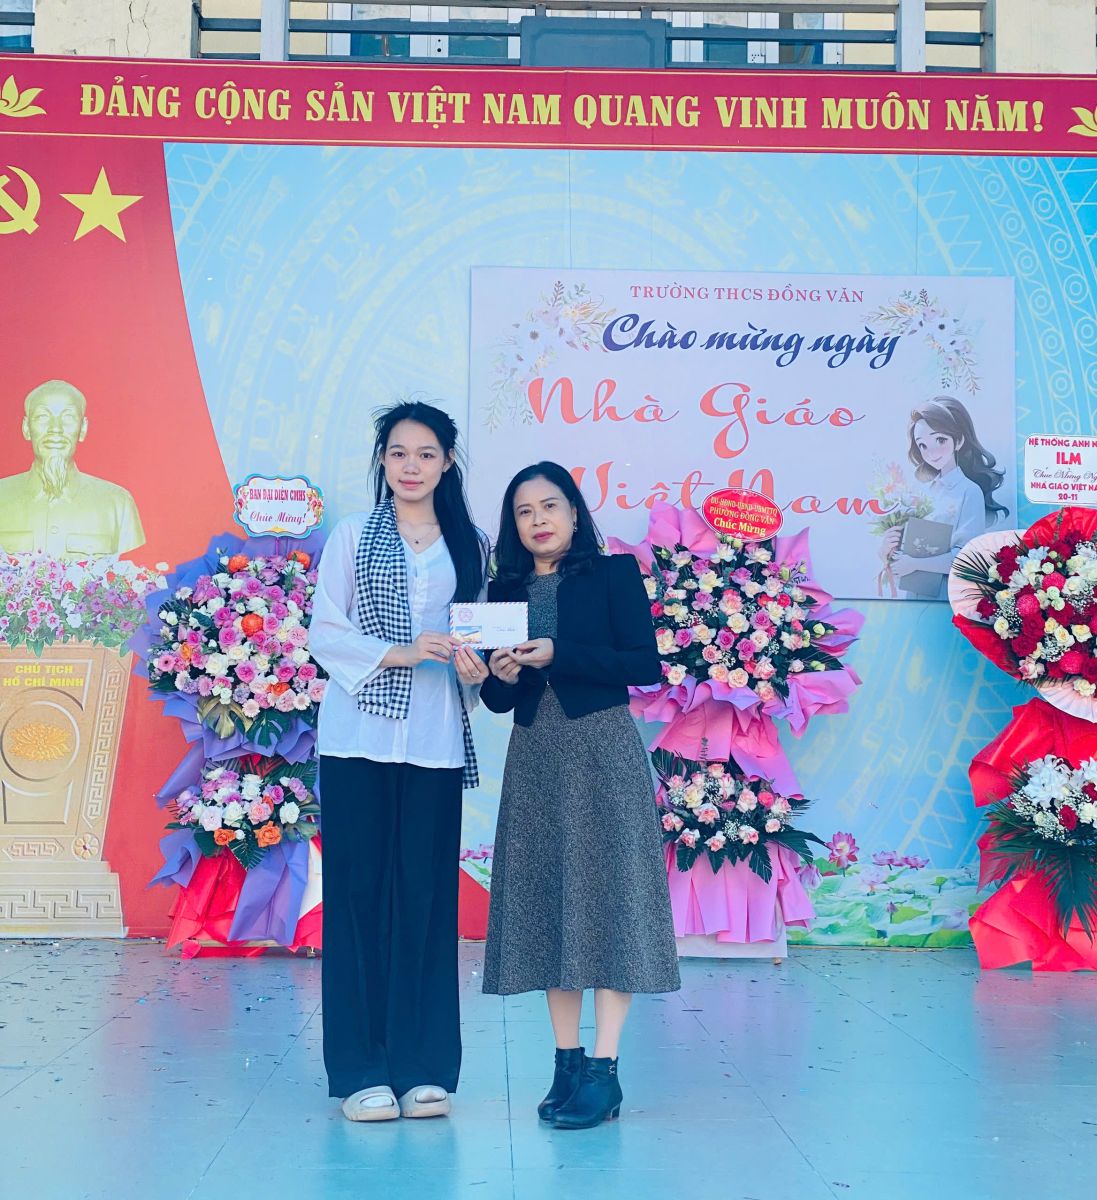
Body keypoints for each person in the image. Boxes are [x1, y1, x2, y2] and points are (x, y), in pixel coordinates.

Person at [480, 461, 681, 1131]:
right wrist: (502, 672)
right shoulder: (502, 590)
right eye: (524, 511)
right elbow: (497, 698)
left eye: (549, 506)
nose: (538, 519)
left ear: (574, 512)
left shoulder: (613, 574)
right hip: (535, 758)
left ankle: (604, 1070)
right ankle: (566, 1064)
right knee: (550, 901)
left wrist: (556, 653)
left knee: (610, 899)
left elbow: (643, 665)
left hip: (603, 752)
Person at [309, 401, 489, 1123]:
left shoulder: (471, 544)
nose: (411, 466)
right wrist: (403, 651)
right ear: (382, 461)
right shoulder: (353, 536)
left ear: (447, 463)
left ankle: (421, 1068)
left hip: (434, 741)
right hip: (356, 738)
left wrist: (477, 667)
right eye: (398, 453)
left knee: (425, 901)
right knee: (357, 899)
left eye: (425, 454)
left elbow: (479, 635)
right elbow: (326, 630)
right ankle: (360, 1071)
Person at [881, 395, 1008, 599]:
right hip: (913, 592)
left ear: (958, 441)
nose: (932, 452)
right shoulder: (920, 492)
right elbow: (908, 551)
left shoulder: (969, 491)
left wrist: (914, 564)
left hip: (947, 594)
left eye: (940, 440)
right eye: (922, 445)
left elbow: (967, 556)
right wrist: (887, 550)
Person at [0, 380, 144, 557]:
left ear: (83, 428)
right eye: (42, 417)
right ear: (26, 428)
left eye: (68, 417)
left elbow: (135, 566)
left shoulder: (118, 504)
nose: (55, 429)